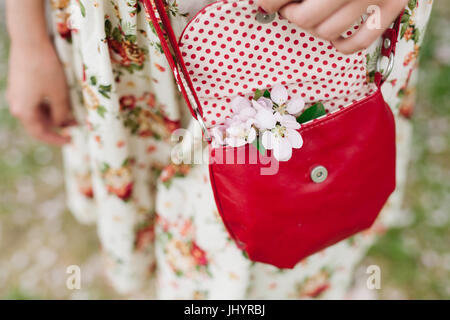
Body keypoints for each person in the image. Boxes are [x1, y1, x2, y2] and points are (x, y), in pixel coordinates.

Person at [6, 0, 433, 299]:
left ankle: (319, 285)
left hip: (335, 21)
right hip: (134, 37)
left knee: (332, 190)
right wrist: (26, 36)